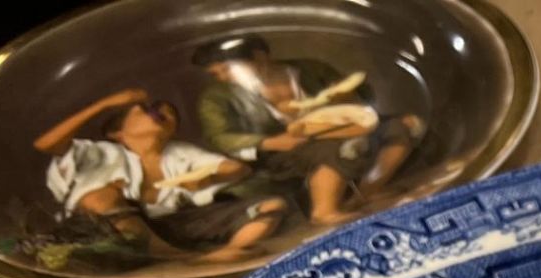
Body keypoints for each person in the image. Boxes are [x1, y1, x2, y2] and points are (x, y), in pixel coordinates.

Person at [191, 34, 426, 226]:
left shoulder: (309, 69)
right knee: (335, 148)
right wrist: (270, 142)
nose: (223, 78)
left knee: (402, 126)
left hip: (342, 127)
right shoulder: (217, 98)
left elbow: (359, 98)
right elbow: (220, 137)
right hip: (282, 150)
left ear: (259, 57)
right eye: (216, 73)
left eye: (228, 69)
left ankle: (365, 193)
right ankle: (324, 211)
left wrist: (345, 97)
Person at [33, 89, 291, 262]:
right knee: (99, 197)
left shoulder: (179, 153)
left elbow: (237, 168)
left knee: (272, 205)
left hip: (177, 224)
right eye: (149, 109)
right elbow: (45, 145)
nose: (163, 113)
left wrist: (208, 178)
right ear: (117, 132)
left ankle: (230, 250)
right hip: (107, 228)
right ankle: (178, 258)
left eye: (170, 116)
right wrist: (106, 104)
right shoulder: (100, 152)